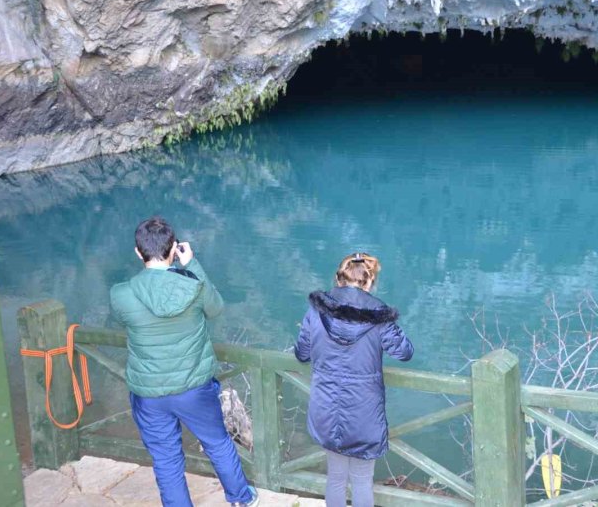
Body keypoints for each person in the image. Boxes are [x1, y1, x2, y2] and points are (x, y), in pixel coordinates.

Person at [110, 217, 258, 507]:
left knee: (166, 459)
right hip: (193, 389)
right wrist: (191, 265)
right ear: (173, 249)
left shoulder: (121, 294)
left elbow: (126, 319)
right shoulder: (193, 286)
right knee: (217, 443)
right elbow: (216, 309)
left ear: (138, 253)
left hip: (148, 393)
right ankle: (241, 498)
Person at [294, 252, 414, 507]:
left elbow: (301, 353)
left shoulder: (316, 311)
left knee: (335, 477)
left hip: (325, 408)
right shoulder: (380, 317)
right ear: (369, 282)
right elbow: (404, 352)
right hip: (364, 412)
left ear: (338, 278)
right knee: (361, 480)